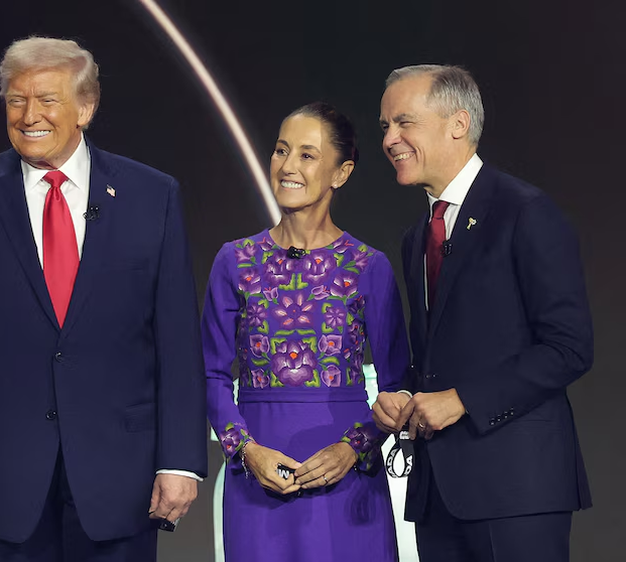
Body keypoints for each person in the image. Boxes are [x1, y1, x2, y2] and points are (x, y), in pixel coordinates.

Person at [0, 37, 207, 562]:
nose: (29, 115)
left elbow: (175, 339)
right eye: (16, 100)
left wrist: (179, 461)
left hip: (120, 477)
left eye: (47, 100)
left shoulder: (152, 196)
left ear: (86, 107)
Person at [373, 64, 593, 562]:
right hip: (438, 495)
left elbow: (569, 347)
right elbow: (434, 356)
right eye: (385, 126)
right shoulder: (416, 238)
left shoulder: (525, 211)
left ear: (457, 123)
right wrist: (405, 394)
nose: (390, 139)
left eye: (404, 122)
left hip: (516, 488)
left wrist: (462, 400)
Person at [202, 102, 408, 561]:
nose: (287, 166)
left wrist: (353, 449)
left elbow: (398, 388)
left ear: (342, 172)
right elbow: (210, 374)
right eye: (280, 150)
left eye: (307, 155)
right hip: (258, 477)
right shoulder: (234, 261)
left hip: (349, 482)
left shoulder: (368, 267)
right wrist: (246, 450)